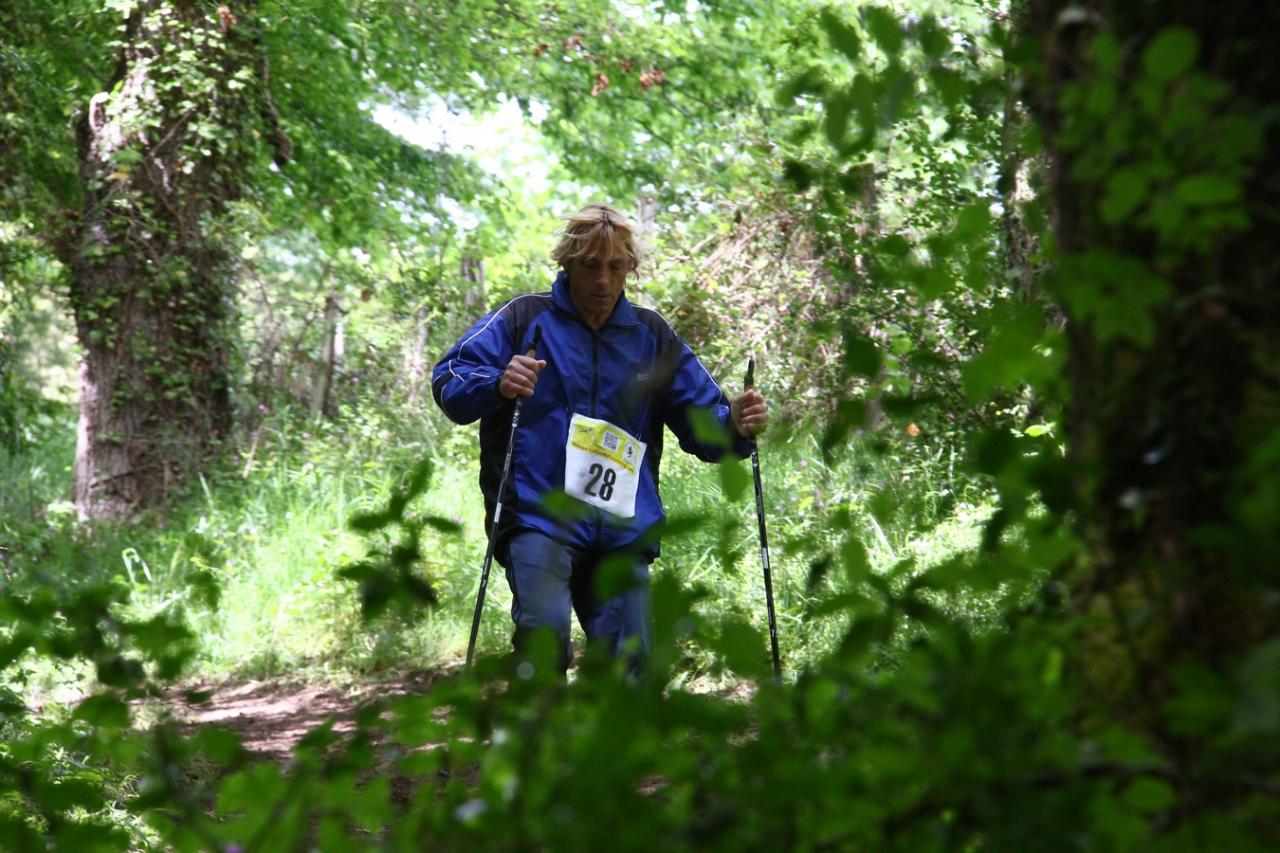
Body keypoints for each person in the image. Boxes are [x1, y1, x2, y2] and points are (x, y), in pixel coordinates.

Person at [432, 203, 768, 671]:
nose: (603, 282)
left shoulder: (650, 337)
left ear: (630, 267)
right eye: (590, 266)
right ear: (567, 263)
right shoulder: (524, 319)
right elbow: (449, 380)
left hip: (621, 527)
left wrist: (734, 422)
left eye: (615, 267)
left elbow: (704, 430)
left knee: (629, 663)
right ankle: (534, 740)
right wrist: (496, 381)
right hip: (538, 518)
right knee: (544, 642)